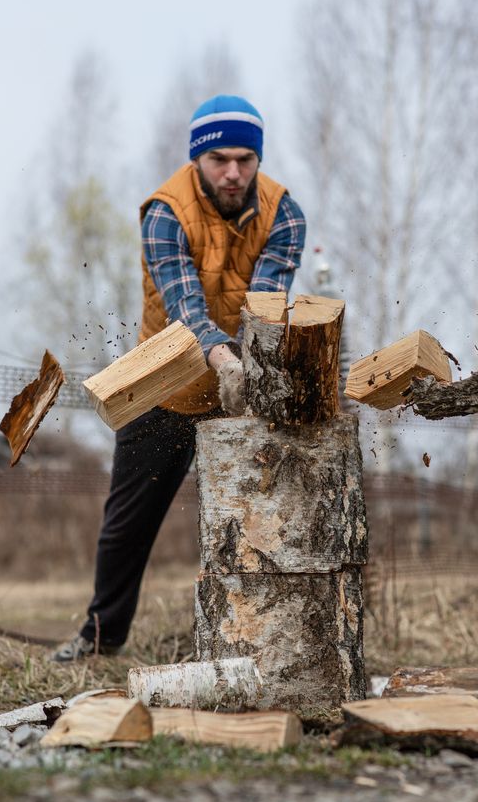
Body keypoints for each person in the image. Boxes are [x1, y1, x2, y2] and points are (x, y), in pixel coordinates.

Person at [53, 95, 306, 661]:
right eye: (220, 159)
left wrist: (250, 375)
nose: (234, 172)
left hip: (240, 390)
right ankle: (100, 639)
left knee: (256, 524)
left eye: (245, 158)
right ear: (198, 159)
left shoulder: (284, 213)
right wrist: (223, 360)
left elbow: (266, 303)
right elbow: (184, 303)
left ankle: (258, 644)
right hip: (164, 383)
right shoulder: (164, 212)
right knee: (127, 525)